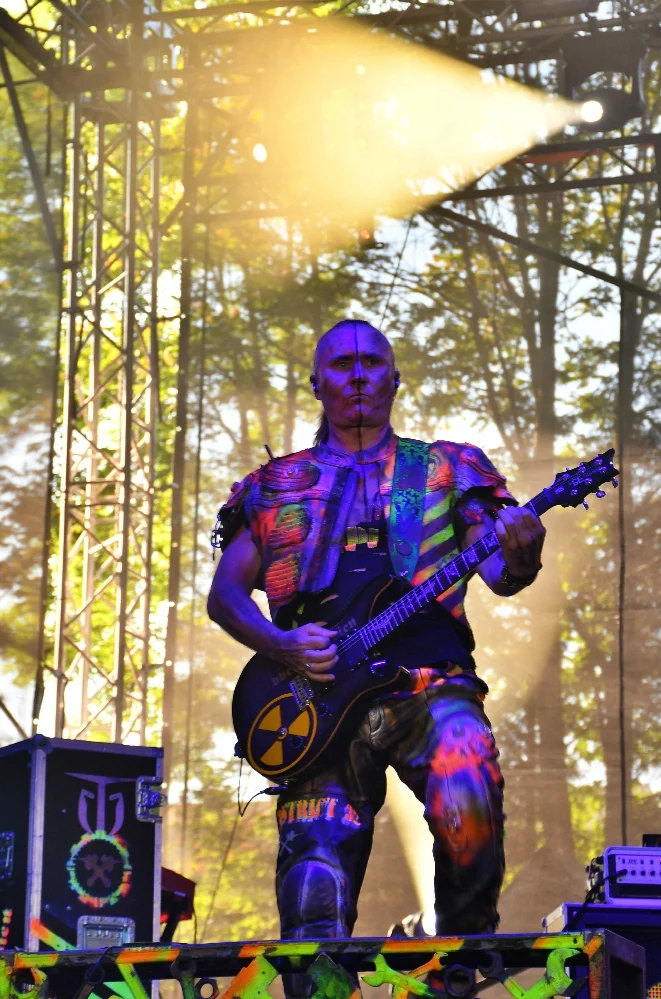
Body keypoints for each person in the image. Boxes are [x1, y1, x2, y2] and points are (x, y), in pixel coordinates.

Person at [208, 319, 545, 976]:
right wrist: (282, 644)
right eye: (341, 364)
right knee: (312, 890)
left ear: (396, 379)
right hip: (313, 704)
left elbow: (501, 573)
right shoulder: (276, 485)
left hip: (431, 686)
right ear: (316, 383)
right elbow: (225, 595)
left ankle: (453, 970)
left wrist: (522, 554)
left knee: (468, 785)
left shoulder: (447, 469)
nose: (358, 374)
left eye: (372, 363)